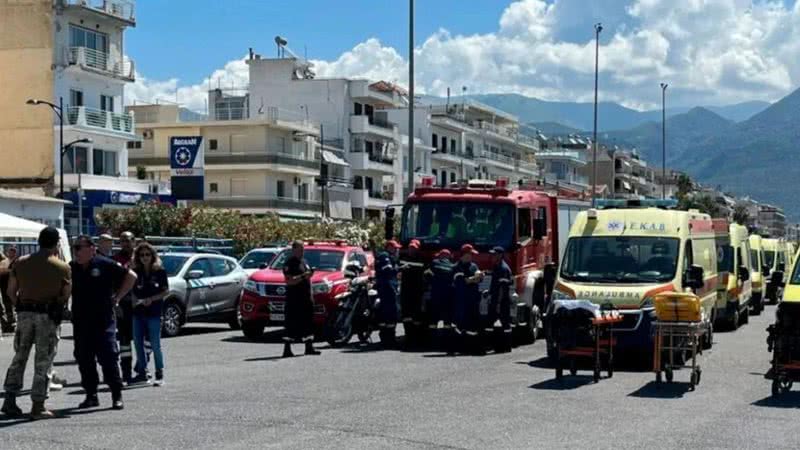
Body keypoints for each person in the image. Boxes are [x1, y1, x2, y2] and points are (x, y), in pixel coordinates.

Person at [1, 228, 71, 419]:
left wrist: (21, 306)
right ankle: (38, 405)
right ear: (56, 243)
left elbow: (10, 292)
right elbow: (65, 295)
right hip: (46, 317)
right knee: (44, 360)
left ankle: (9, 400)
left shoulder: (20, 263)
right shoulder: (62, 267)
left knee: (19, 357)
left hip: (25, 314)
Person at [70, 235, 136, 410]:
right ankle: (91, 395)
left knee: (108, 358)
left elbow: (131, 276)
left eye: (79, 247)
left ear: (91, 249)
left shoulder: (104, 263)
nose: (75, 251)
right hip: (81, 322)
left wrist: (118, 297)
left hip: (103, 320)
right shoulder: (72, 268)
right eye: (74, 247)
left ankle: (116, 395)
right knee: (84, 360)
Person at [130, 242, 168, 386]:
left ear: (152, 256)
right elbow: (132, 289)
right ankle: (142, 372)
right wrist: (134, 299)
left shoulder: (159, 271)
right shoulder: (135, 272)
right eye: (141, 255)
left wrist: (151, 299)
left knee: (155, 343)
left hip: (154, 312)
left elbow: (165, 291)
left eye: (147, 254)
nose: (144, 257)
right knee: (138, 342)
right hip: (138, 312)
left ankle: (159, 373)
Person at [112, 231, 143, 384]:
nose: (125, 243)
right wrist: (115, 302)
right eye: (122, 240)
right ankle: (126, 373)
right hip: (124, 305)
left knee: (144, 339)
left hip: (142, 305)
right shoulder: (115, 260)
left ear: (134, 241)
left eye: (128, 240)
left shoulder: (143, 257)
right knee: (124, 341)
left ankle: (142, 368)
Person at [281, 240, 320, 358]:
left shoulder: (304, 262)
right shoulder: (289, 263)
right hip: (294, 299)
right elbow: (289, 280)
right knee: (291, 324)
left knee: (308, 323)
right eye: (299, 249)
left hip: (306, 298)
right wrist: (303, 276)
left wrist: (309, 276)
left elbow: (308, 278)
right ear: (293, 250)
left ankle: (309, 346)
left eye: (303, 249)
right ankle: (287, 349)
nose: (302, 252)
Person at [452, 244, 483, 354]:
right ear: (464, 255)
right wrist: (473, 279)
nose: (471, 257)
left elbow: (478, 278)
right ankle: (459, 347)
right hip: (461, 300)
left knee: (473, 325)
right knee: (460, 324)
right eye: (470, 254)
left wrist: (478, 277)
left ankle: (472, 346)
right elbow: (462, 282)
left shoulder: (473, 266)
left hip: (473, 300)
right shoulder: (457, 267)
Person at [424, 249, 455, 352]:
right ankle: (446, 343)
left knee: (433, 321)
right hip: (448, 297)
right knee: (447, 322)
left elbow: (426, 276)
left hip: (436, 296)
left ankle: (433, 343)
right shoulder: (452, 266)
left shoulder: (434, 263)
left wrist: (433, 282)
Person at [399, 239, 426, 347]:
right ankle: (408, 335)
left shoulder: (421, 259)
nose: (411, 249)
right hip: (406, 289)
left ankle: (417, 337)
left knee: (417, 315)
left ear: (417, 249)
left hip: (416, 290)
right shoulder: (402, 257)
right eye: (410, 247)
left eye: (414, 248)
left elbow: (420, 269)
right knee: (406, 315)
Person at [487, 246, 513, 353]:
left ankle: (506, 346)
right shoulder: (497, 267)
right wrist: (488, 292)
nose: (493, 256)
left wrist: (498, 302)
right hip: (497, 299)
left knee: (504, 324)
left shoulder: (503, 269)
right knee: (493, 323)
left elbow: (502, 287)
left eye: (495, 254)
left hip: (501, 300)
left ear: (500, 255)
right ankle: (495, 345)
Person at [375, 240, 401, 347]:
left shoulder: (387, 256)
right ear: (389, 247)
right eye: (395, 248)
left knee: (386, 312)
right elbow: (388, 270)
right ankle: (389, 339)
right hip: (388, 287)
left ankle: (386, 338)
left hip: (387, 287)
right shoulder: (385, 256)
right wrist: (398, 268)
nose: (396, 250)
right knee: (391, 312)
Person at [0, 246, 18, 333]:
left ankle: (11, 323)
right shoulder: (5, 261)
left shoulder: (16, 262)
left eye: (13, 251)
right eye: (11, 251)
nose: (12, 253)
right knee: (6, 304)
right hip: (4, 284)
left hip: (9, 285)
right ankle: (8, 323)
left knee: (9, 304)